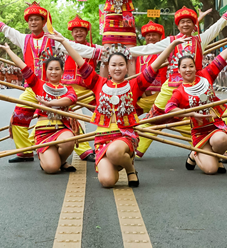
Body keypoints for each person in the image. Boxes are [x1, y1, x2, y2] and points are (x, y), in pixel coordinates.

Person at [0, 3, 98, 163]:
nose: (33, 22)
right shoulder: (23, 39)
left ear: (43, 22)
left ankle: (84, 150)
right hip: (33, 88)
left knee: (66, 117)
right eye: (31, 20)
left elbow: (75, 48)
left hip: (54, 88)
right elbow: (5, 28)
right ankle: (25, 151)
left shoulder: (53, 39)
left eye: (37, 19)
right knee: (18, 117)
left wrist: (103, 53)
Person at [55, 34, 175, 188]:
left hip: (124, 136)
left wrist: (171, 46)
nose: (117, 68)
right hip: (103, 139)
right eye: (113, 65)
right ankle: (118, 161)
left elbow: (154, 67)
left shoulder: (135, 85)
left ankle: (130, 169)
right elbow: (80, 61)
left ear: (127, 67)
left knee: (114, 152)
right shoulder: (98, 83)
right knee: (107, 181)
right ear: (108, 67)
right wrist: (64, 42)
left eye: (121, 65)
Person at [130, 0, 227, 159]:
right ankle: (134, 147)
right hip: (171, 86)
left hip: (196, 86)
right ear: (178, 25)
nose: (185, 24)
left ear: (194, 24)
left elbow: (218, 27)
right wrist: (122, 51)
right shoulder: (170, 41)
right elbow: (148, 49)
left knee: (220, 110)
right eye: (182, 22)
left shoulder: (200, 40)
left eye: (189, 21)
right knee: (155, 117)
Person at [166, 27, 227, 174]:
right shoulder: (179, 91)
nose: (188, 70)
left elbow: (223, 56)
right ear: (179, 70)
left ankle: (216, 157)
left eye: (191, 66)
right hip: (199, 132)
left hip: (215, 126)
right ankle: (194, 154)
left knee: (221, 140)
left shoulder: (206, 75)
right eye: (184, 67)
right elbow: (169, 108)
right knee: (211, 170)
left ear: (195, 67)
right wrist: (191, 114)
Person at [0, 42, 79, 173]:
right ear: (46, 71)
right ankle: (47, 158)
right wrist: (8, 50)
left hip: (62, 129)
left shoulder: (68, 89)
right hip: (43, 132)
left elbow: (71, 99)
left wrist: (49, 104)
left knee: (69, 141)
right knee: (52, 169)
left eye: (57, 69)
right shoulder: (38, 85)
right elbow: (23, 66)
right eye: (50, 69)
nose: (53, 72)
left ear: (62, 71)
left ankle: (62, 161)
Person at [62, 15, 101, 162]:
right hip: (68, 90)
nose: (78, 33)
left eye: (81, 30)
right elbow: (50, 33)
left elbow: (110, 55)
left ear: (86, 32)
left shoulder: (95, 48)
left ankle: (105, 143)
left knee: (103, 112)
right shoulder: (65, 45)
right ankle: (84, 150)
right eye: (75, 31)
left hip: (88, 90)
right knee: (61, 114)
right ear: (72, 33)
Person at [134, 21, 168, 116]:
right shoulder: (140, 53)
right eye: (148, 35)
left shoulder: (164, 51)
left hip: (159, 94)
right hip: (142, 95)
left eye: (154, 35)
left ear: (160, 37)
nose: (151, 37)